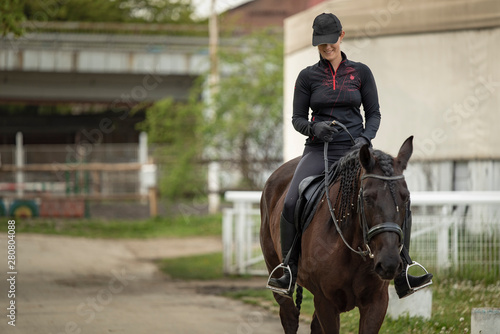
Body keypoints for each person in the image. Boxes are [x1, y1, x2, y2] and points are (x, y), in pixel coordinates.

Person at [267, 12, 433, 299]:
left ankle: (404, 268)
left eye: (331, 42)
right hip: (320, 150)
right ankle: (289, 269)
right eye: (321, 44)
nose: (327, 48)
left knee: (395, 194)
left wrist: (364, 139)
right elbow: (296, 119)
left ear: (341, 37)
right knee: (292, 200)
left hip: (358, 151)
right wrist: (314, 127)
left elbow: (374, 113)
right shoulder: (307, 77)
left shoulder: (361, 73)